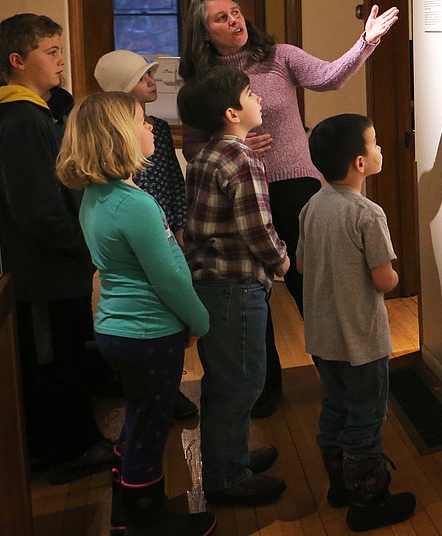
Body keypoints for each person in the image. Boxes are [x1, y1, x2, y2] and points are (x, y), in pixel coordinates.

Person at [178, 0, 398, 418]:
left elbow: (330, 77)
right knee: (253, 293)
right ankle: (264, 389)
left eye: (236, 11)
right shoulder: (203, 81)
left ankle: (337, 373)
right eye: (221, 18)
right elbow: (195, 147)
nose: (234, 21)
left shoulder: (278, 56)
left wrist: (366, 40)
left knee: (312, 286)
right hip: (242, 193)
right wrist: (235, 144)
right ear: (204, 34)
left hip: (297, 187)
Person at [55, 92, 215, 536]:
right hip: (149, 332)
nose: (151, 129)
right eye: (142, 123)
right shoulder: (137, 205)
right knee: (151, 426)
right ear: (119, 137)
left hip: (116, 327)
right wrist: (199, 320)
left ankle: (125, 511)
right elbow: (167, 277)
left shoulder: (97, 196)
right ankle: (150, 518)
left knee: (139, 415)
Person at [0, 13, 112, 484]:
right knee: (52, 359)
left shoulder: (34, 112)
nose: (62, 61)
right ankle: (66, 449)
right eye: (50, 52)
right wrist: (82, 247)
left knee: (66, 351)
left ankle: (72, 440)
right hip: (43, 270)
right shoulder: (22, 119)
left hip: (55, 266)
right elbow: (37, 207)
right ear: (17, 60)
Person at [177, 65, 290, 506]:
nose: (259, 98)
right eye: (250, 94)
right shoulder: (243, 158)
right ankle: (226, 476)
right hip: (237, 286)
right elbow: (256, 227)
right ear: (231, 112)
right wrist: (281, 259)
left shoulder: (204, 155)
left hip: (210, 284)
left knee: (223, 379)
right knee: (242, 382)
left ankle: (229, 454)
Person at [298, 113, 416, 531]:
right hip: (363, 340)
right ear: (360, 163)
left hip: (323, 337)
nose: (381, 148)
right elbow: (384, 278)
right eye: (375, 142)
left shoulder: (312, 205)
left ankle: (339, 485)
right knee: (366, 418)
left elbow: (301, 263)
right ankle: (368, 502)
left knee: (335, 407)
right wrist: (398, 278)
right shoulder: (368, 214)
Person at [94, 49, 198, 421]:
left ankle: (168, 383)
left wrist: (181, 220)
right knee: (155, 292)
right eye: (143, 78)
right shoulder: (119, 138)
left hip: (166, 222)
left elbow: (172, 177)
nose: (153, 82)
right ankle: (160, 390)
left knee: (169, 300)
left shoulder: (158, 129)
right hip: (142, 226)